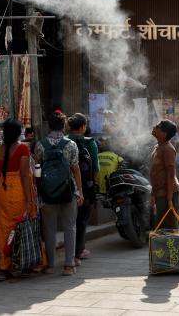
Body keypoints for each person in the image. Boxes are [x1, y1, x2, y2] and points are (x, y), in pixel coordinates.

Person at [0, 119, 35, 281]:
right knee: (20, 228)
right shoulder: (22, 149)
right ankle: (20, 263)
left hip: (3, 194)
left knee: (5, 230)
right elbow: (25, 176)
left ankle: (4, 267)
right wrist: (29, 200)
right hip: (19, 191)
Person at [34, 111, 84, 276]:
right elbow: (75, 170)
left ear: (49, 125)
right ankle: (69, 265)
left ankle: (50, 266)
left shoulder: (40, 145)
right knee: (70, 227)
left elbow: (37, 170)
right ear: (64, 126)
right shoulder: (70, 145)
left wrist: (39, 191)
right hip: (68, 192)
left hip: (47, 194)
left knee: (49, 229)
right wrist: (80, 192)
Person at [67, 113, 100, 265]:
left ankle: (72, 253)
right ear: (82, 127)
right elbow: (95, 168)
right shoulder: (90, 143)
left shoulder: (64, 141)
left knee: (70, 222)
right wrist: (94, 184)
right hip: (85, 188)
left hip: (65, 188)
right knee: (82, 221)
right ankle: (78, 252)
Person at [149, 120, 179, 228]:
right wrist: (153, 194)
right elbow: (155, 174)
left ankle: (173, 246)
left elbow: (170, 175)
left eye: (158, 126)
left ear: (164, 133)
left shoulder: (168, 149)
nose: (154, 127)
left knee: (169, 228)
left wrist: (170, 200)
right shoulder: (157, 147)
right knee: (161, 227)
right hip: (160, 193)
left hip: (168, 194)